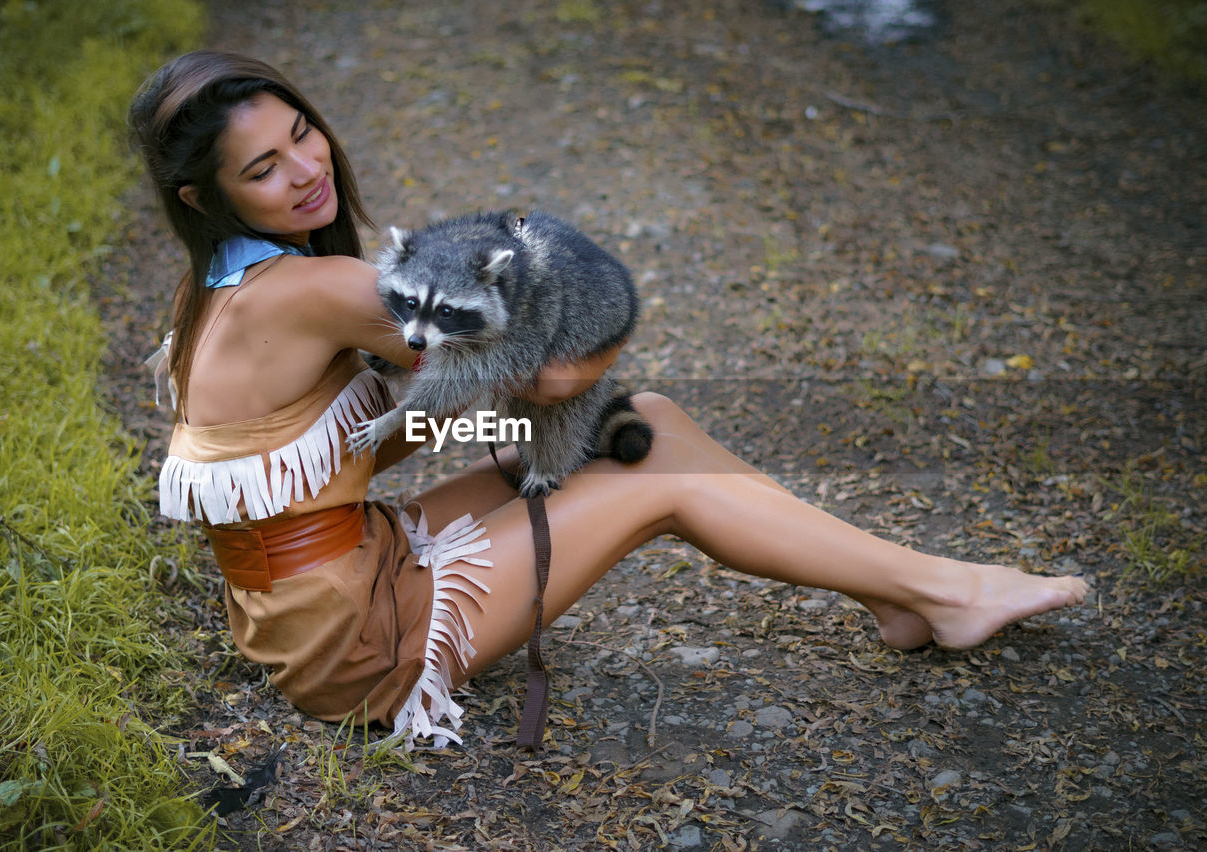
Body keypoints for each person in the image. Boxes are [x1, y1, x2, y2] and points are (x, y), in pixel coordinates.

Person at [129, 51, 1088, 749]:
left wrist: (501, 425)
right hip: (359, 644)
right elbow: (555, 374)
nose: (307, 168)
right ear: (201, 195)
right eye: (263, 168)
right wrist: (605, 318)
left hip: (325, 582)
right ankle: (950, 591)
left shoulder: (222, 285)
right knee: (651, 476)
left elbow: (346, 452)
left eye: (302, 133)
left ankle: (902, 595)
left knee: (644, 426)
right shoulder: (313, 292)